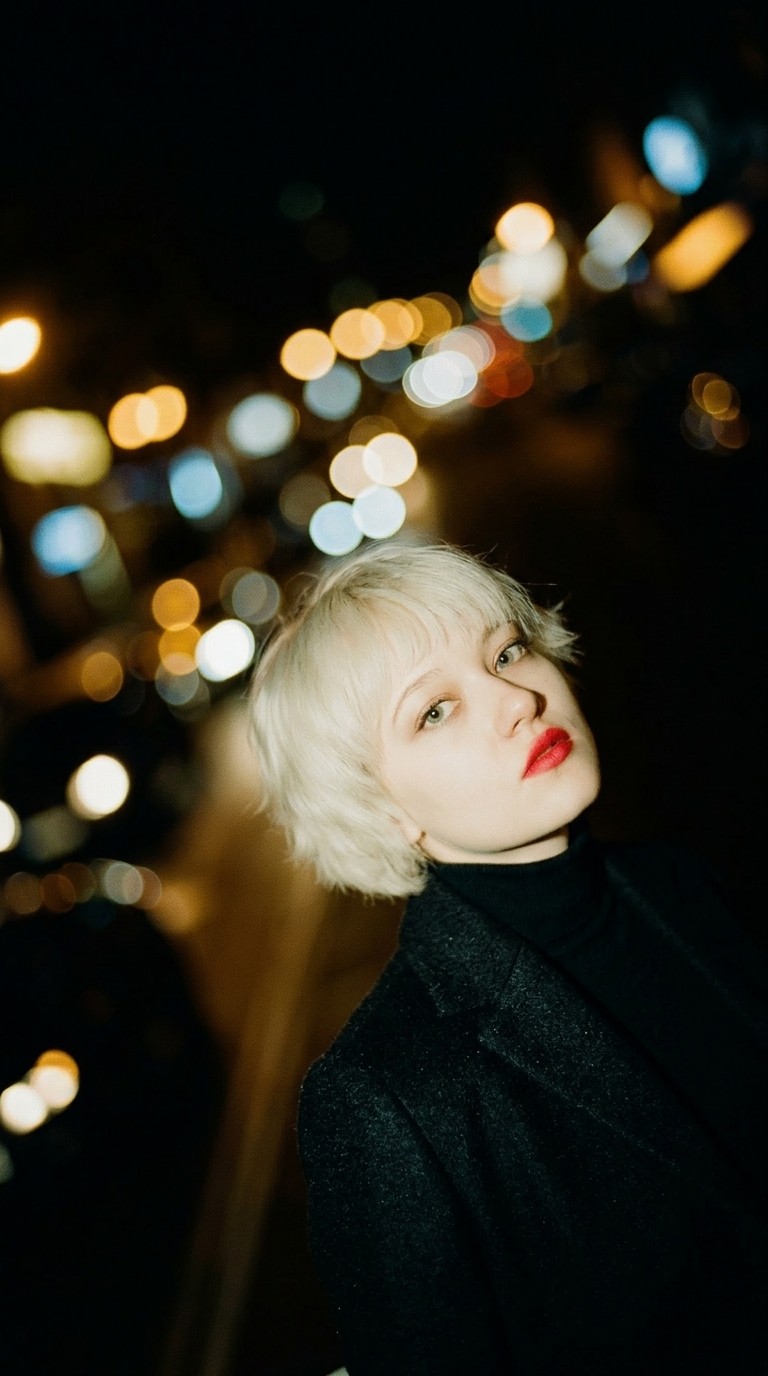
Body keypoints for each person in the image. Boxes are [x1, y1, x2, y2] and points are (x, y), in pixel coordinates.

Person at [248, 537, 768, 1375]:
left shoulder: (681, 883)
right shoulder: (385, 1098)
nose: (518, 699)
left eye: (507, 651)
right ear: (383, 811)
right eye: (434, 710)